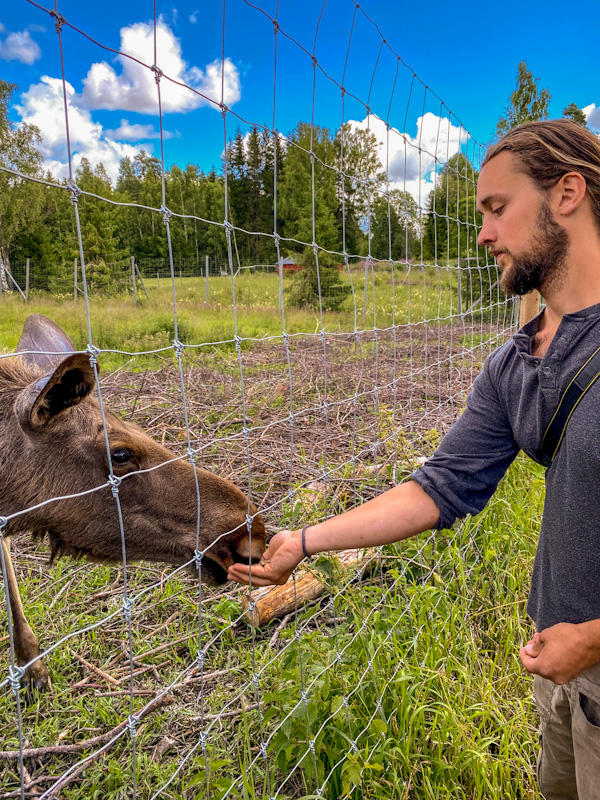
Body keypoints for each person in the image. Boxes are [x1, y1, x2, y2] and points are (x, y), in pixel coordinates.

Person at [228, 118, 600, 799]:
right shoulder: (514, 365)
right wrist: (303, 542)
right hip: (563, 678)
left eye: (497, 208)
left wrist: (595, 639)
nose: (483, 234)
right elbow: (438, 489)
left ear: (567, 193)